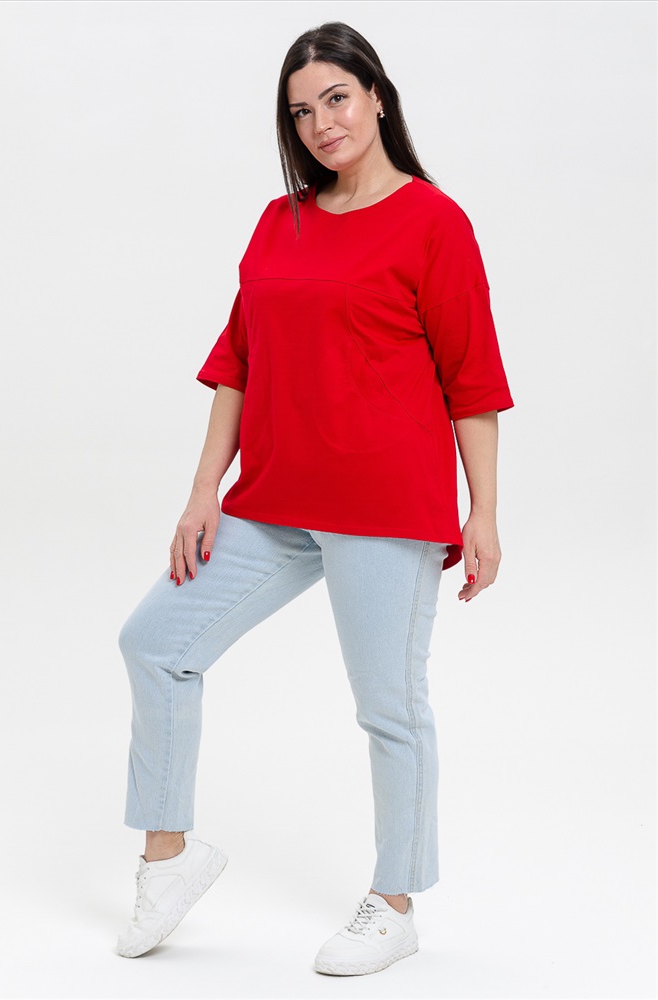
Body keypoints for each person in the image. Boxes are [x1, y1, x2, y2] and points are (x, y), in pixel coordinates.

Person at [115, 20, 514, 976]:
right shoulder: (279, 219)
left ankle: (394, 903)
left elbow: (471, 379)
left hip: (383, 506)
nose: (322, 122)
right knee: (155, 643)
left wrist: (484, 511)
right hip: (272, 501)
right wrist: (203, 491)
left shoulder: (434, 222)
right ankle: (168, 859)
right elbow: (237, 361)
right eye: (301, 111)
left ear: (376, 96)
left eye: (336, 98)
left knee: (388, 708)